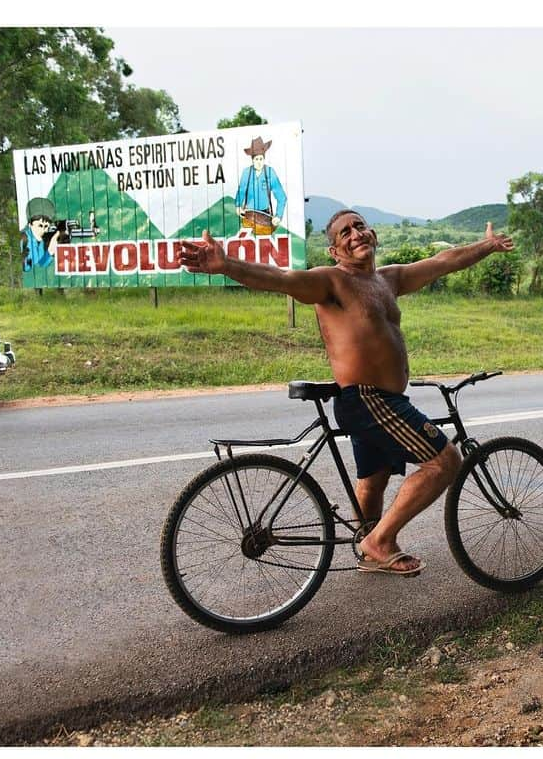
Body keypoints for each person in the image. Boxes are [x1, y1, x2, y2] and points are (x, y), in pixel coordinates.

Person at [180, 209, 514, 576]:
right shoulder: (332, 282)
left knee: (374, 480)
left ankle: (370, 548)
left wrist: (486, 246)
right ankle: (380, 541)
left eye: (359, 226)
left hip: (383, 401)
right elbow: (280, 277)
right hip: (369, 400)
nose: (355, 234)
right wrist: (227, 265)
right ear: (334, 250)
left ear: (373, 235)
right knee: (445, 462)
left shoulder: (389, 280)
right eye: (344, 233)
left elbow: (442, 261)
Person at [235, 136, 287, 232]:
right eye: (256, 159)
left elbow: (282, 197)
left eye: (261, 159)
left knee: (265, 242)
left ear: (264, 158)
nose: (259, 162)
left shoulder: (270, 172)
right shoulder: (246, 173)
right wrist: (238, 206)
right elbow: (241, 192)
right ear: (252, 160)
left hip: (265, 216)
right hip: (248, 215)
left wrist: (278, 216)